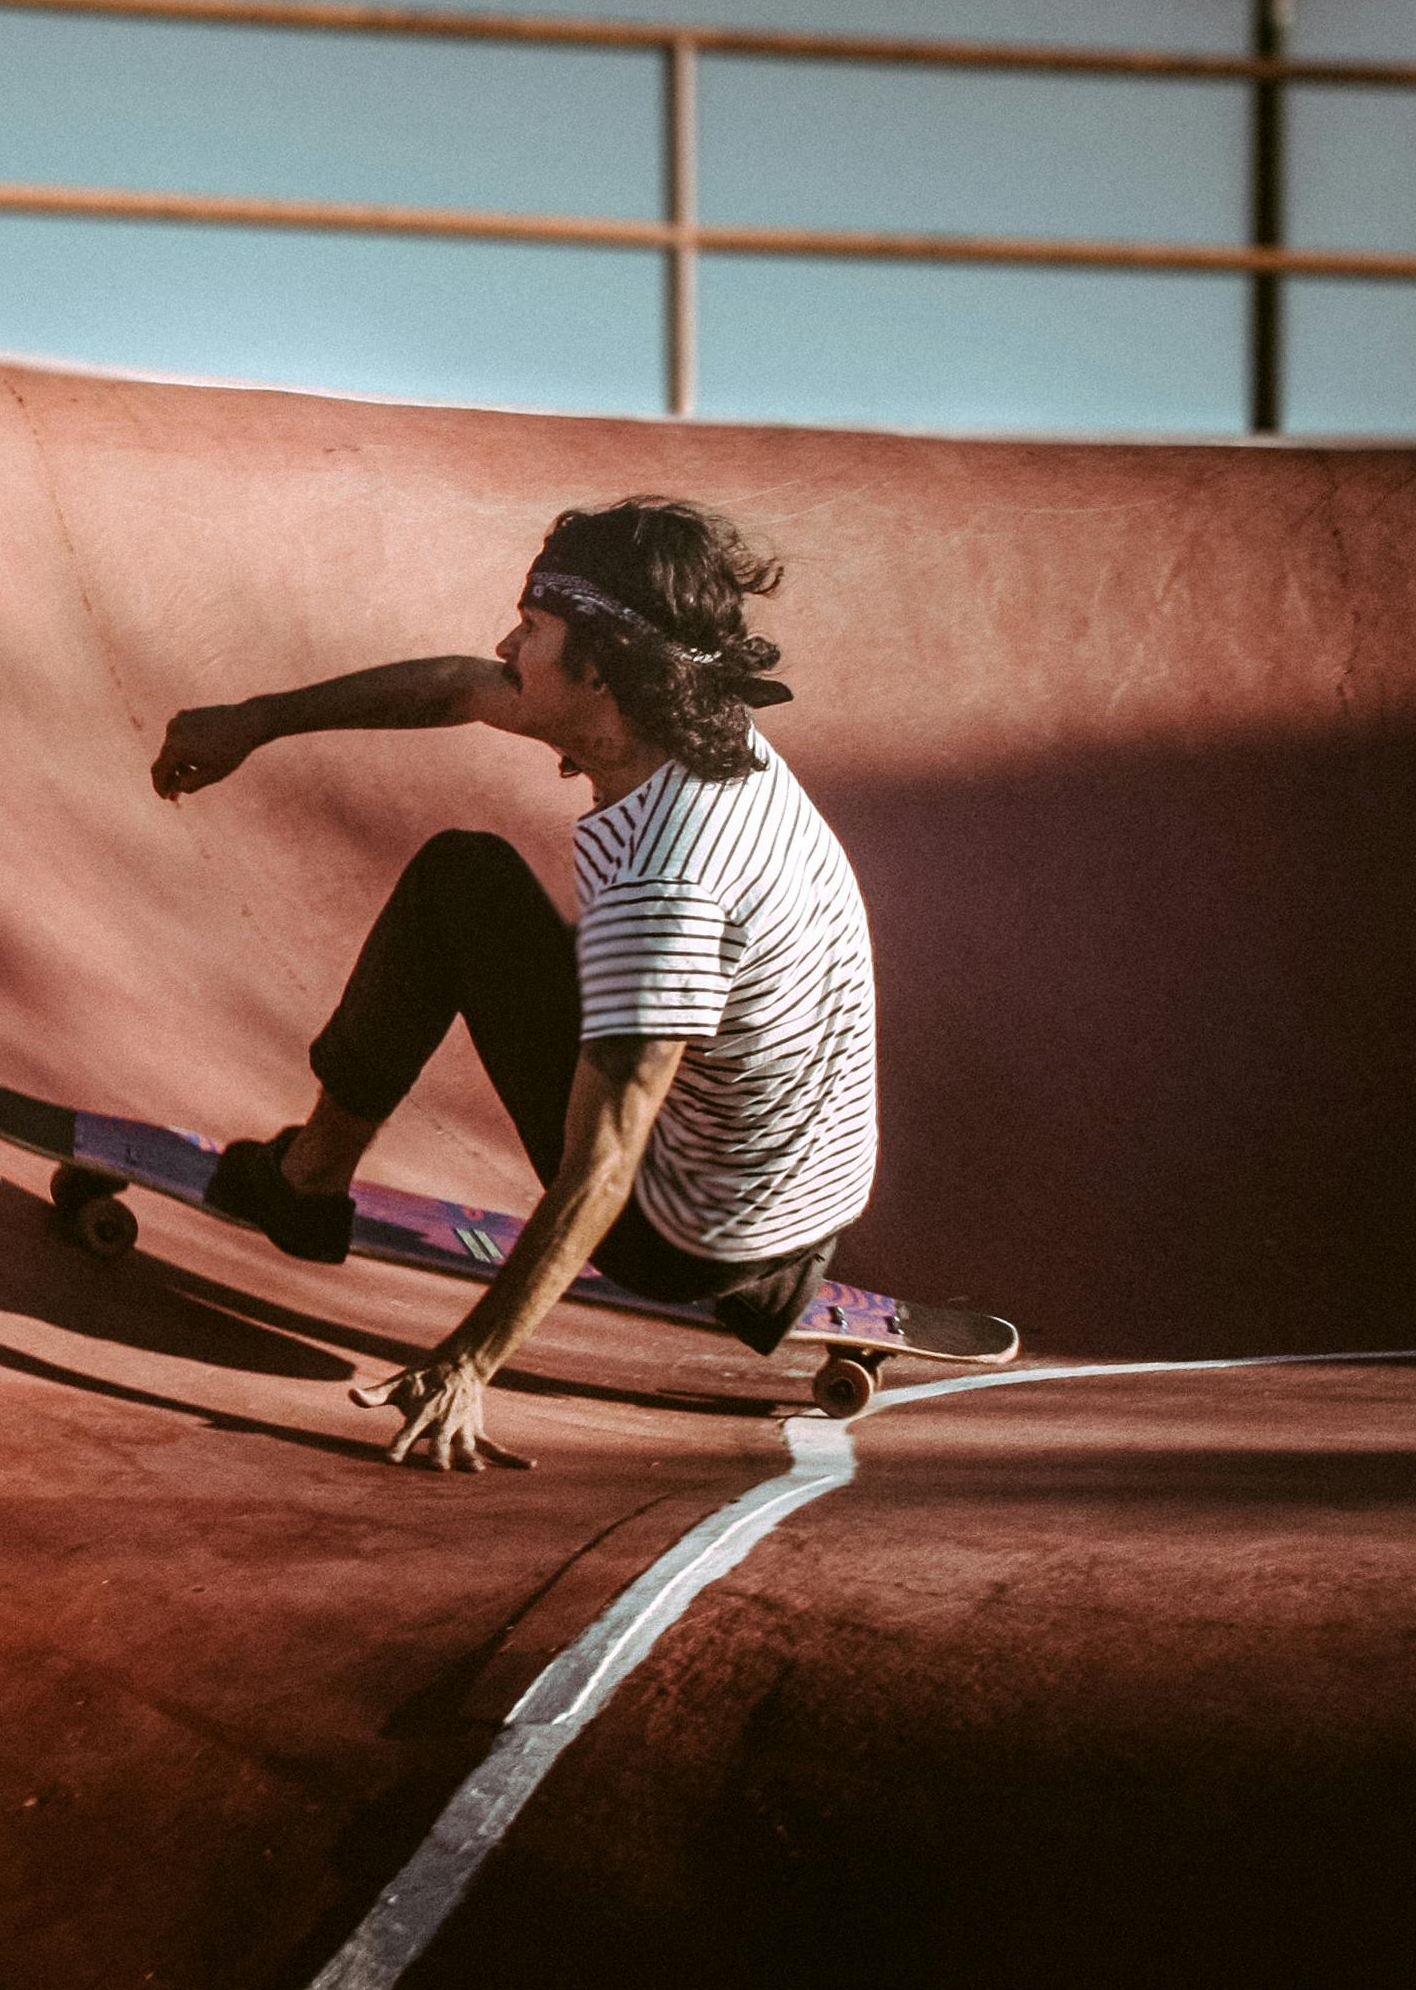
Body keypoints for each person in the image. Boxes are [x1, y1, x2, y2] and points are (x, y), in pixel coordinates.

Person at [147, 497, 877, 1474]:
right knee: (573, 948)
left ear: (602, 666)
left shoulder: (668, 881)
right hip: (807, 1187)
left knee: (461, 880)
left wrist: (468, 1360)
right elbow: (456, 688)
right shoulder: (703, 733)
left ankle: (307, 1181)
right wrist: (258, 721)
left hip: (685, 1230)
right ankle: (754, 1260)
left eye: (531, 630)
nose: (505, 645)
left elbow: (604, 1163)